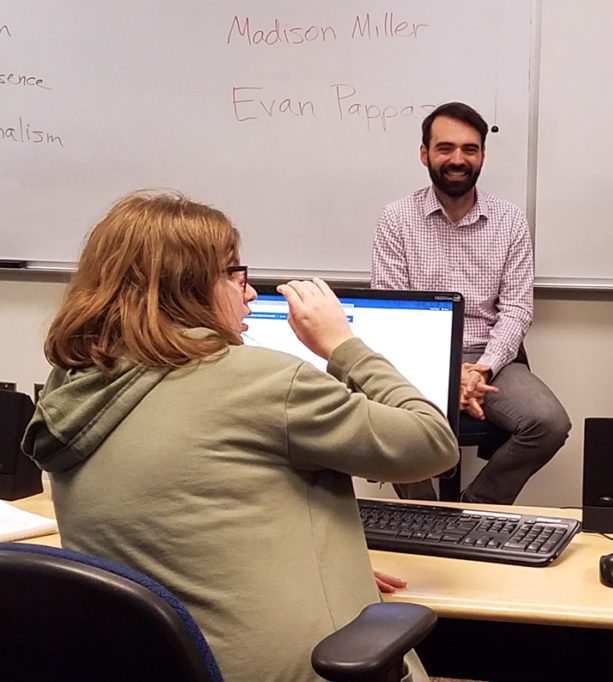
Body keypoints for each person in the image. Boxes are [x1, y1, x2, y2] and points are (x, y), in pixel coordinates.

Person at [21, 190, 459, 682]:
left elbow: (177, 526)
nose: (250, 292)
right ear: (189, 287)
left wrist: (329, 563)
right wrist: (344, 344)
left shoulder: (73, 386)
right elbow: (432, 442)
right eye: (235, 273)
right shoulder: (264, 380)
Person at [371, 101, 571, 505]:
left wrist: (478, 370)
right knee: (391, 419)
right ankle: (422, 514)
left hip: (490, 358)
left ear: (482, 154)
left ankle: (472, 509)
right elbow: (393, 315)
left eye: (470, 149)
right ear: (425, 153)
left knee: (549, 423)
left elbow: (517, 310)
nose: (457, 159)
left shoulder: (510, 220)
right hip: (418, 357)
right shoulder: (396, 219)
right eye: (445, 148)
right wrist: (444, 375)